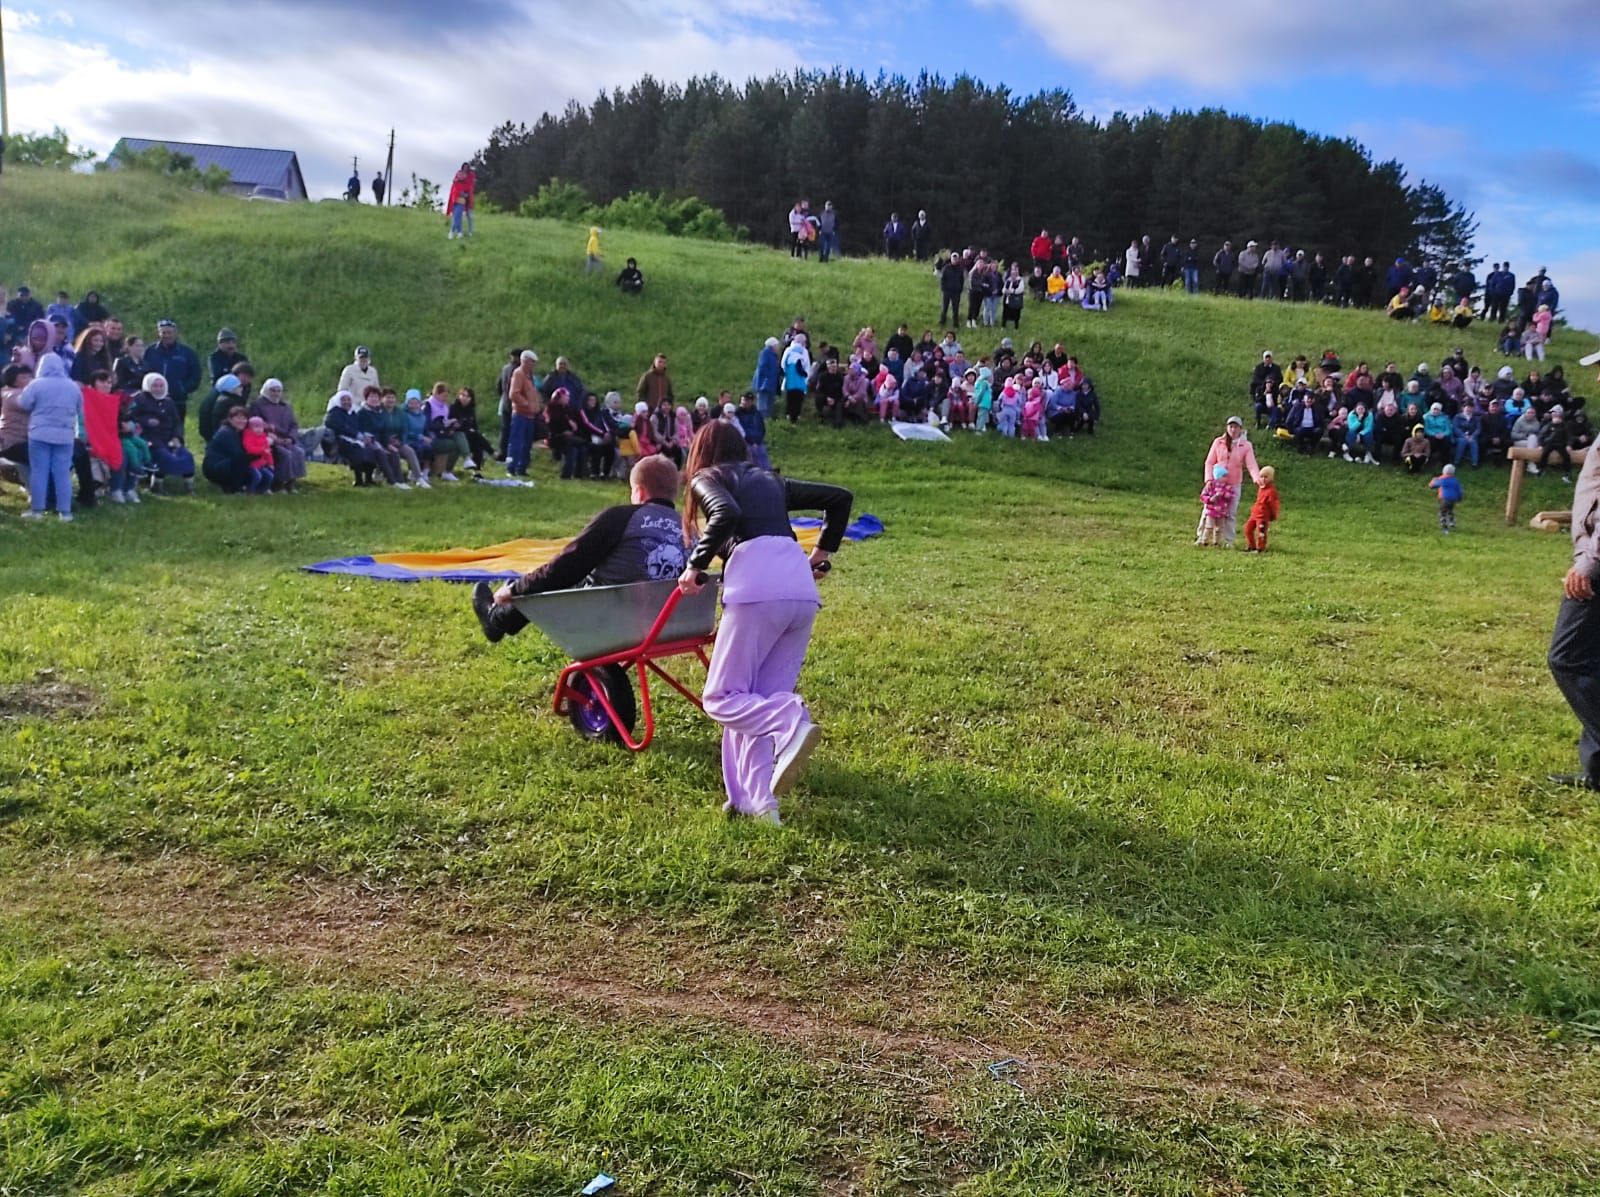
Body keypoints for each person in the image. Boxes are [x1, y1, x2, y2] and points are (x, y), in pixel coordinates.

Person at [677, 421, 852, 824]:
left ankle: (789, 719)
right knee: (751, 698)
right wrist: (821, 556)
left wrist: (694, 566)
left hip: (758, 587)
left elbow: (725, 513)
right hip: (799, 588)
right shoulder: (771, 482)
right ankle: (754, 802)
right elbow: (839, 498)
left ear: (701, 452)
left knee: (720, 698)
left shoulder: (708, 477)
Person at [471, 454, 688, 643]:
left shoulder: (622, 517)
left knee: (557, 578)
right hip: (669, 621)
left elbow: (569, 564)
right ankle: (501, 617)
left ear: (639, 493)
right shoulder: (689, 529)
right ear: (673, 493)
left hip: (613, 616)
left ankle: (496, 618)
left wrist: (516, 588)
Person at [16, 355, 83, 522]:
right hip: (65, 435)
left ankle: (37, 510)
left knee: (39, 472)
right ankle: (65, 512)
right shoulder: (73, 386)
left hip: (39, 433)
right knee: (62, 473)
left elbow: (23, 403)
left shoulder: (36, 384)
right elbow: (80, 409)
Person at [1200, 416, 1261, 546]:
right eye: (1231, 427)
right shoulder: (1218, 442)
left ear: (1240, 429)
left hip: (1233, 483)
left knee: (1230, 513)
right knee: (1208, 509)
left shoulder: (1246, 445)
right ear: (1227, 428)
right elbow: (1210, 462)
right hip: (1216, 483)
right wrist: (1209, 479)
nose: (1233, 430)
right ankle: (1202, 537)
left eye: (1236, 427)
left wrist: (1257, 478)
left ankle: (1228, 541)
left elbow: (1251, 464)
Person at [129, 373, 196, 491]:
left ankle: (189, 485)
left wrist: (177, 437)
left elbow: (177, 422)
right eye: (155, 386)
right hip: (149, 437)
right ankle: (156, 484)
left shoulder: (168, 402)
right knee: (163, 456)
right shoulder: (139, 399)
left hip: (169, 437)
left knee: (186, 455)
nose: (158, 389)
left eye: (161, 386)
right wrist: (146, 421)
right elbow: (131, 417)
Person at [142, 319, 202, 431]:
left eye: (170, 332)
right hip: (153, 399)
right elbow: (144, 373)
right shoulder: (150, 351)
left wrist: (183, 389)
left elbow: (196, 375)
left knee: (176, 429)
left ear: (175, 333)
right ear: (159, 333)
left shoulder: (187, 353)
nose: (167, 336)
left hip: (177, 400)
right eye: (163, 333)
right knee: (155, 429)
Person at [248, 378, 306, 491]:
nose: (275, 393)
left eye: (278, 391)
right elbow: (256, 424)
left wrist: (291, 438)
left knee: (299, 452)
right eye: (272, 390)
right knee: (285, 455)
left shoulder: (286, 406)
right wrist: (272, 437)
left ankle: (291, 483)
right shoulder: (257, 405)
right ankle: (279, 484)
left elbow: (294, 425)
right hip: (269, 439)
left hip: (286, 438)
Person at [506, 350, 542, 476]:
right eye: (532, 362)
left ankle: (522, 468)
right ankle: (511, 467)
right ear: (525, 361)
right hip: (520, 414)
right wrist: (527, 404)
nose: (534, 365)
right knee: (516, 441)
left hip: (530, 416)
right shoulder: (518, 374)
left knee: (526, 443)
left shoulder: (530, 376)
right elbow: (514, 394)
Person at [1197, 464, 1234, 547]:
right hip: (1211, 511)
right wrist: (1210, 499)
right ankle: (1204, 540)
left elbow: (1231, 496)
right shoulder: (1210, 486)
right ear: (1218, 476)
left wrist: (1224, 494)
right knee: (1209, 526)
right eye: (1223, 476)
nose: (1226, 478)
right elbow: (1203, 496)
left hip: (1222, 511)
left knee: (1219, 528)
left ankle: (1216, 541)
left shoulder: (1227, 487)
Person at [1243, 466, 1279, 552]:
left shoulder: (1271, 491)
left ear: (1271, 478)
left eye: (1266, 477)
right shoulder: (1261, 488)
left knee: (1261, 532)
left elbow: (1273, 504)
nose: (1263, 479)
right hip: (1255, 513)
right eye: (1261, 476)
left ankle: (1260, 548)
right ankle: (1251, 545)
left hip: (1263, 515)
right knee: (1247, 529)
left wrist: (1273, 515)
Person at [240, 415, 276, 494]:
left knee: (270, 476)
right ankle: (250, 490)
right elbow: (249, 449)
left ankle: (261, 490)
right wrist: (262, 451)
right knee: (257, 476)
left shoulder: (263, 437)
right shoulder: (248, 436)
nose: (259, 429)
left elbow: (268, 452)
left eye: (261, 427)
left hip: (261, 464)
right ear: (250, 428)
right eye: (256, 427)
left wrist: (271, 463)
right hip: (251, 464)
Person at [752, 337, 781, 419]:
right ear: (773, 346)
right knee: (763, 403)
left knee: (770, 403)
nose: (778, 348)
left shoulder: (773, 355)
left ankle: (768, 420)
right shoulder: (765, 353)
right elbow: (762, 367)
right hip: (764, 383)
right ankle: (762, 420)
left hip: (770, 383)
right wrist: (768, 377)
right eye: (777, 345)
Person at [1429, 463, 1462, 533]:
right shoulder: (1455, 480)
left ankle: (1445, 529)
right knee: (1450, 509)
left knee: (1442, 512)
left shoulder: (1442, 479)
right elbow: (1459, 491)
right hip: (1453, 499)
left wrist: (1433, 480)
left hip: (1444, 499)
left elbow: (1432, 486)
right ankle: (1451, 522)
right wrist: (1459, 498)